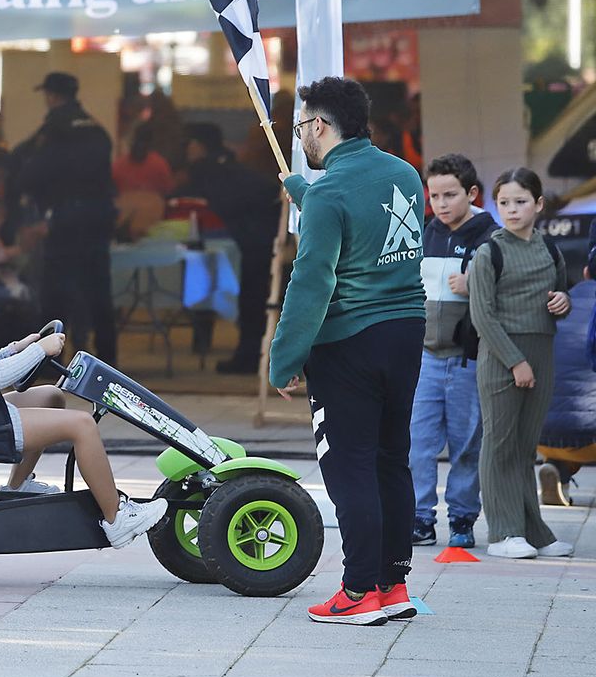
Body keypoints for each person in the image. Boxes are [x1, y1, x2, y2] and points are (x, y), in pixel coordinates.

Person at [269, 76, 426, 626]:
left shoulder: (331, 194)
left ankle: (357, 591)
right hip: (406, 332)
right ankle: (393, 584)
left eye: (300, 128)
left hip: (349, 344)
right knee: (390, 460)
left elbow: (312, 282)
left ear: (318, 125)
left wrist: (284, 358)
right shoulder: (404, 173)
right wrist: (308, 197)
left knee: (349, 466)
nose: (300, 139)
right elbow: (374, 230)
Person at [0, 249, 167, 544]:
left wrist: (18, 348)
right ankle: (116, 517)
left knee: (51, 396)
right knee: (82, 424)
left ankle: (16, 487)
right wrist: (40, 350)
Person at [469, 167, 575, 559]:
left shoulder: (550, 249)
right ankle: (503, 532)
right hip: (501, 357)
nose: (512, 210)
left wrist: (563, 303)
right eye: (504, 203)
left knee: (526, 446)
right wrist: (515, 361)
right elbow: (483, 316)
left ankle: (534, 531)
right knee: (499, 443)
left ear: (539, 204)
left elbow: (559, 296)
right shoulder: (489, 252)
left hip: (542, 353)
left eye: (521, 202)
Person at [408, 153, 496, 550]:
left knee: (466, 444)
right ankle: (420, 518)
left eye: (450, 195)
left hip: (467, 358)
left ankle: (462, 519)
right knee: (418, 444)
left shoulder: (490, 236)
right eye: (434, 195)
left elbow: (505, 294)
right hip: (425, 356)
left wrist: (474, 285)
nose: (441, 204)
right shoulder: (426, 232)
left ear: (472, 193)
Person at [7, 72, 117, 365]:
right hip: (97, 222)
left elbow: (30, 170)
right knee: (99, 295)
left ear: (52, 96)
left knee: (56, 297)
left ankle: (46, 363)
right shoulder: (96, 129)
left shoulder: (55, 130)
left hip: (64, 225)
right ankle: (109, 359)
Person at [181, 124, 280, 375]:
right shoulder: (228, 165)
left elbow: (216, 204)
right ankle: (254, 356)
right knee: (255, 299)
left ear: (198, 146)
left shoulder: (208, 169)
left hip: (252, 238)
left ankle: (248, 357)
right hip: (261, 234)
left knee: (251, 300)